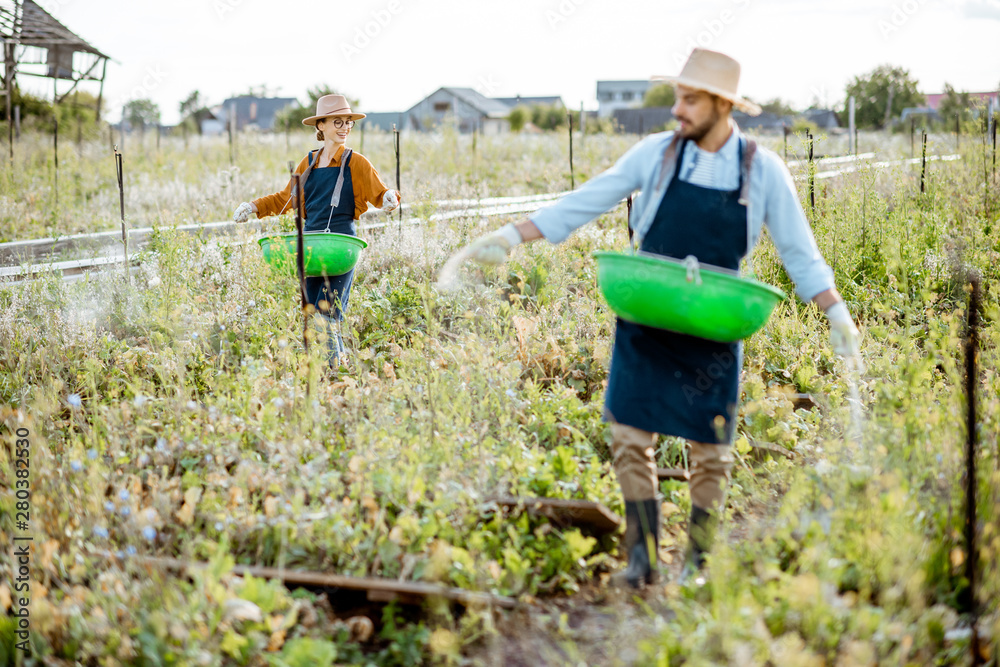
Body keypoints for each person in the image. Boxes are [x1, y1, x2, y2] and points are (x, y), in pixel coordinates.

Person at [443, 49, 860, 588]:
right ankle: (641, 561)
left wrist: (836, 312)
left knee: (711, 450)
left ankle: (698, 565)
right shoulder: (657, 157)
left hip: (713, 322)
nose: (678, 110)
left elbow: (800, 254)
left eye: (690, 100)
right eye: (678, 98)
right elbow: (585, 202)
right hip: (646, 316)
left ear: (721, 105)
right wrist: (509, 236)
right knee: (628, 435)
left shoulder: (762, 171)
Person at [233, 94, 401, 366]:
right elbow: (285, 199)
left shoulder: (356, 162)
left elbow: (379, 194)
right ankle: (322, 370)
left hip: (340, 245)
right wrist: (253, 207)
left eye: (348, 122)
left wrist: (390, 198)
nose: (345, 127)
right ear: (321, 126)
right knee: (312, 311)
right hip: (310, 244)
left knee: (329, 310)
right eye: (338, 122)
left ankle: (335, 371)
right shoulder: (307, 164)